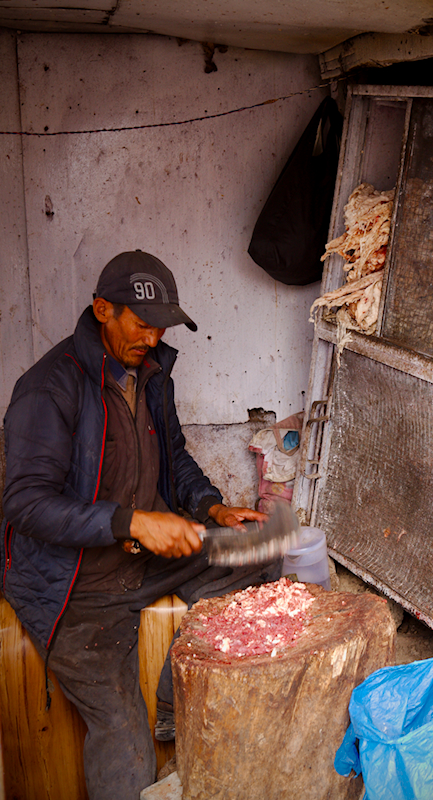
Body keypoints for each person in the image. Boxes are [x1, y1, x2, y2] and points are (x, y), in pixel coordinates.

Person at [1, 250, 281, 799]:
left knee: (262, 554)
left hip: (143, 560)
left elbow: (173, 455)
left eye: (161, 327)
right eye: (141, 324)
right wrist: (131, 522)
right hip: (75, 586)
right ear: (102, 310)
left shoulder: (151, 375)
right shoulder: (48, 387)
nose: (152, 339)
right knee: (124, 737)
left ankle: (174, 698)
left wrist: (212, 508)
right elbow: (25, 504)